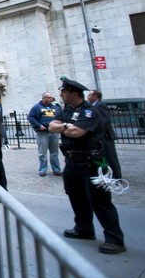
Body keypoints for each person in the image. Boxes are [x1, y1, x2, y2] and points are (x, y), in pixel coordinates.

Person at [49, 78, 126, 254]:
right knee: (76, 196)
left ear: (73, 93)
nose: (61, 94)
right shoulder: (66, 110)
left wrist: (64, 127)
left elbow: (77, 132)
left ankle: (115, 239)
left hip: (91, 162)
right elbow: (52, 126)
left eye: (64, 92)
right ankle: (84, 228)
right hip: (71, 161)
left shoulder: (90, 112)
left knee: (100, 201)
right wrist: (65, 126)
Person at [87, 90, 122, 178]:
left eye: (90, 95)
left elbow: (105, 120)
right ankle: (108, 175)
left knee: (111, 157)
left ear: (96, 96)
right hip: (100, 137)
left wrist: (95, 129)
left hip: (106, 136)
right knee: (104, 157)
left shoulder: (100, 105)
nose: (88, 97)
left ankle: (116, 177)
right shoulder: (93, 106)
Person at [28, 92, 62, 176]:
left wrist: (59, 122)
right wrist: (38, 125)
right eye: (49, 97)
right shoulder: (36, 107)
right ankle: (43, 169)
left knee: (54, 153)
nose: (51, 99)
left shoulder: (56, 107)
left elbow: (60, 117)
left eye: (52, 97)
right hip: (42, 133)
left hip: (54, 132)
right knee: (42, 153)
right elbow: (31, 118)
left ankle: (56, 169)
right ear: (44, 98)